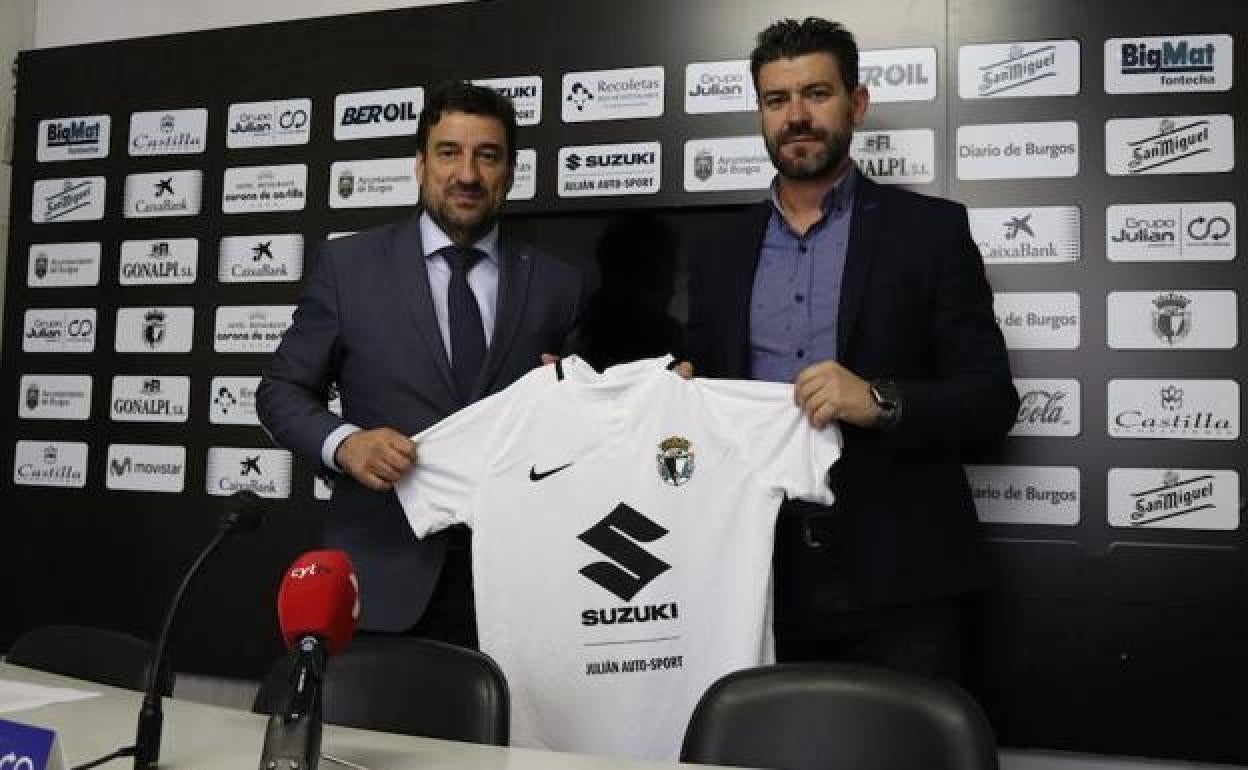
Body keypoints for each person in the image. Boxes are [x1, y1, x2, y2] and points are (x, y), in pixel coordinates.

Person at [684, 17, 1018, 681]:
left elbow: (991, 401)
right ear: (760, 114)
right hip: (756, 577)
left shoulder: (930, 231)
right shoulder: (718, 251)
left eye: (817, 93)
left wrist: (879, 400)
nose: (797, 116)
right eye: (777, 100)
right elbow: (702, 383)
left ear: (856, 104)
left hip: (905, 580)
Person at [257, 81, 584, 646]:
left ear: (511, 170)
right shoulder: (349, 266)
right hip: (384, 578)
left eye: (488, 155)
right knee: (371, 737)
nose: (467, 175)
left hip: (523, 586)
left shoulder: (559, 284)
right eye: (448, 153)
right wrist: (346, 444)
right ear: (419, 163)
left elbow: (586, 421)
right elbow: (281, 390)